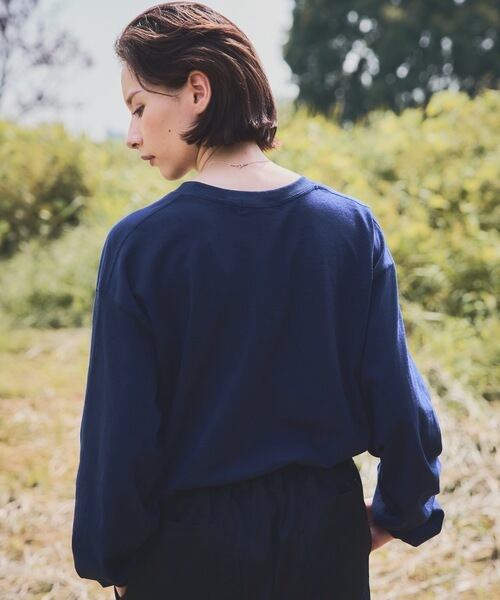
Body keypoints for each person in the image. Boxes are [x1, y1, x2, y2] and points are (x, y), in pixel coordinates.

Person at [71, 3, 444, 599]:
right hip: (324, 539)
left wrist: (112, 557)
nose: (132, 135)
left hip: (186, 552)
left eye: (139, 107)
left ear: (197, 91)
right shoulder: (350, 228)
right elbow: (397, 398)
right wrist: (398, 510)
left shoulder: (141, 246)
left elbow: (120, 433)